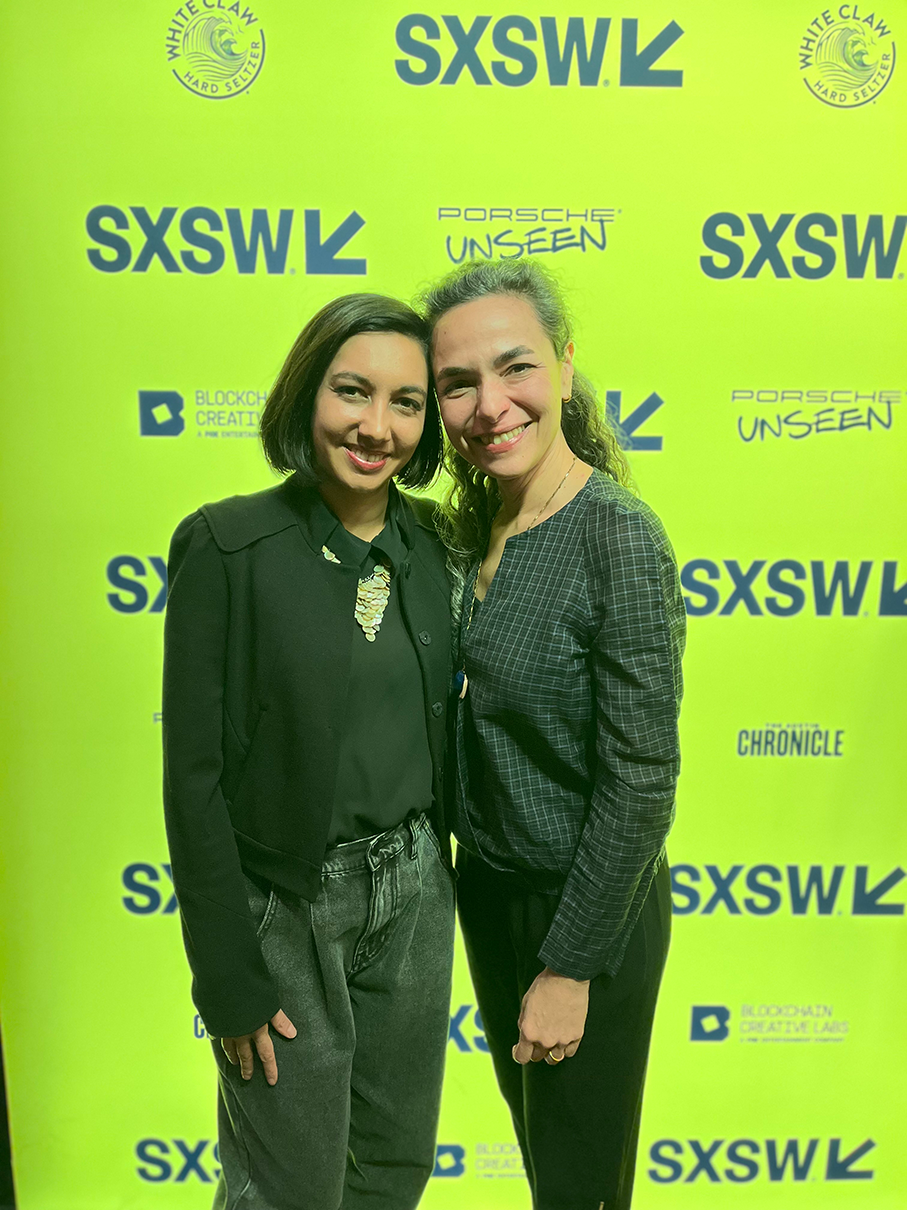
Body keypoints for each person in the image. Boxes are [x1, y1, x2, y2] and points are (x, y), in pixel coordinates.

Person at [162, 294, 455, 1210]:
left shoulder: (435, 544)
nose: (377, 427)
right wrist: (225, 976)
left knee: (392, 1172)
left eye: (406, 403)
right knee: (284, 1188)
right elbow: (193, 780)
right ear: (305, 395)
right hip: (284, 904)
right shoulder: (227, 545)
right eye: (352, 392)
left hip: (413, 893)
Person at [418, 259, 685, 1210]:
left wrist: (569, 966)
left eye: (515, 368)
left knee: (578, 1187)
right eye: (458, 384)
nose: (490, 405)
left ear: (565, 370)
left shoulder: (615, 535)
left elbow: (642, 781)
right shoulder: (465, 527)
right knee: (546, 1166)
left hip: (585, 912)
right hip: (489, 898)